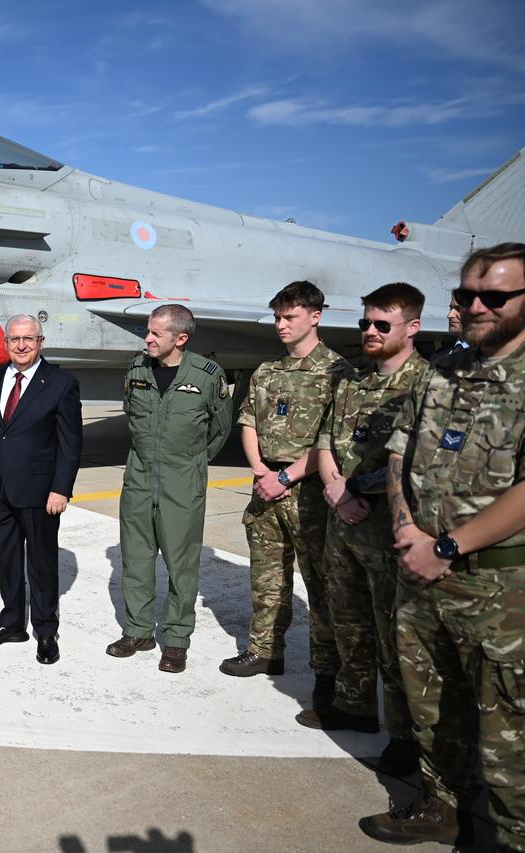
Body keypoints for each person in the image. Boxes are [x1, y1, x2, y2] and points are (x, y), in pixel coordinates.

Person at [361, 243, 525, 850]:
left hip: (499, 590)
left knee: (508, 731)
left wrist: (447, 547)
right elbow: (399, 451)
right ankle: (442, 807)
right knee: (429, 705)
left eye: (495, 297)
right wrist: (408, 530)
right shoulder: (442, 371)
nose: (477, 307)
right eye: (466, 296)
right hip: (421, 571)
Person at [297, 283, 427, 776]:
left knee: (396, 637)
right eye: (364, 323)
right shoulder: (354, 381)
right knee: (348, 623)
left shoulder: (427, 385)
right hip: (344, 528)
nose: (370, 331)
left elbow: (414, 462)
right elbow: (326, 439)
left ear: (412, 328)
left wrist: (351, 490)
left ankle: (407, 735)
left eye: (381, 324)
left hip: (388, 532)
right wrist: (336, 488)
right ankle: (354, 705)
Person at [220, 281, 349, 707]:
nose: (281, 325)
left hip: (310, 492)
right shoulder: (266, 370)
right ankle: (265, 650)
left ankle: (326, 670)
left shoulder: (338, 372)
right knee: (267, 578)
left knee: (321, 585)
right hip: (266, 487)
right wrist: (260, 470)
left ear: (316, 316)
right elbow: (248, 421)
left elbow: (332, 439)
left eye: (290, 317)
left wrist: (285, 477)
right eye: (277, 317)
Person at [106, 304, 231, 673]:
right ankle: (138, 631)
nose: (147, 339)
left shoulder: (207, 375)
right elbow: (131, 414)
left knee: (181, 565)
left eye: (155, 333)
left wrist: (191, 464)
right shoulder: (136, 369)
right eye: (148, 331)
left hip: (182, 483)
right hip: (139, 480)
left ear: (180, 338)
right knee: (136, 559)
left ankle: (176, 640)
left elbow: (220, 429)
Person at [0, 314, 82, 665]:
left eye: (28, 339)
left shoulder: (61, 383)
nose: (21, 345)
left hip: (39, 492)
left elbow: (70, 443)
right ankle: (12, 622)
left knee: (42, 563)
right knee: (5, 560)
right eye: (15, 339)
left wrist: (61, 489)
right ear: (6, 343)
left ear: (40, 342)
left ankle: (45, 630)